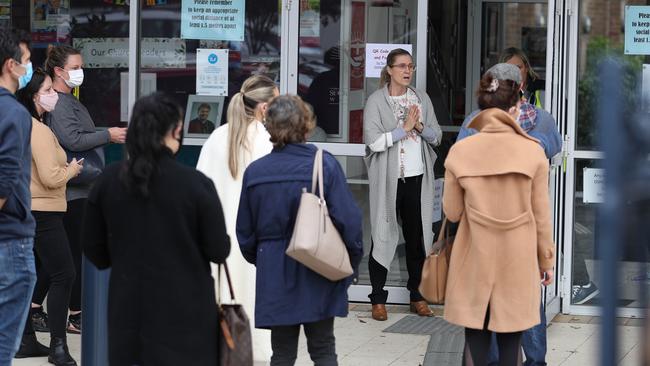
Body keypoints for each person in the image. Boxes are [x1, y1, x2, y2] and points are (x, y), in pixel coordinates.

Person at [82, 92, 231, 365]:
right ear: (176, 131)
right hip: (188, 313)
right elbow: (219, 249)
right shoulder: (195, 184)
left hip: (129, 310)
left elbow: (93, 248)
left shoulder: (109, 181)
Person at [442, 63, 555, 366]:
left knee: (476, 340)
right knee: (511, 343)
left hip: (473, 257)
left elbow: (452, 212)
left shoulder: (461, 152)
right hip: (517, 261)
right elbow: (542, 216)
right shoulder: (532, 152)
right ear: (516, 105)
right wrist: (546, 260)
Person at [237, 95, 363, 365]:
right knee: (323, 349)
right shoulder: (324, 164)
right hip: (320, 266)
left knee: (281, 353)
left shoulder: (256, 172)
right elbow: (349, 223)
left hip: (274, 269)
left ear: (269, 127)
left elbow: (245, 235)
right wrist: (349, 263)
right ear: (306, 124)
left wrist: (267, 258)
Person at [42, 44, 126, 333]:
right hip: (71, 189)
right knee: (71, 256)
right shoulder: (59, 103)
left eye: (81, 67)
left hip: (80, 187)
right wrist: (108, 135)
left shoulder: (69, 100)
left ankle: (42, 309)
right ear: (58, 70)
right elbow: (74, 141)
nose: (80, 72)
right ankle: (74, 314)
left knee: (62, 256)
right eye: (75, 67)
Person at [196, 74, 278, 363]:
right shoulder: (267, 141)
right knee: (254, 303)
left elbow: (200, 189)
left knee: (222, 301)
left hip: (217, 238)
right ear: (265, 108)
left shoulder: (217, 137)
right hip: (253, 241)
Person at [363, 48, 442, 321]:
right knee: (382, 234)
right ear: (389, 70)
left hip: (416, 177)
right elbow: (373, 142)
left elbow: (436, 137)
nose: (408, 71)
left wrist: (418, 127)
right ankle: (377, 299)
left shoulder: (421, 99)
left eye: (411, 66)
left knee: (417, 239)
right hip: (388, 179)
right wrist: (402, 130)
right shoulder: (376, 101)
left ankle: (417, 296)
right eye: (402, 66)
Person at [14, 68, 81, 365]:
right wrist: (73, 169)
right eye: (48, 90)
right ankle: (58, 346)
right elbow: (51, 176)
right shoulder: (38, 130)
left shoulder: (22, 125)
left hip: (28, 209)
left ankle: (27, 340)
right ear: (34, 96)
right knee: (64, 274)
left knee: (28, 277)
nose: (54, 95)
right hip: (44, 211)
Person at [0, 27, 37, 364]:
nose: (30, 68)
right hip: (9, 242)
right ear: (11, 65)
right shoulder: (13, 113)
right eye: (26, 61)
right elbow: (3, 183)